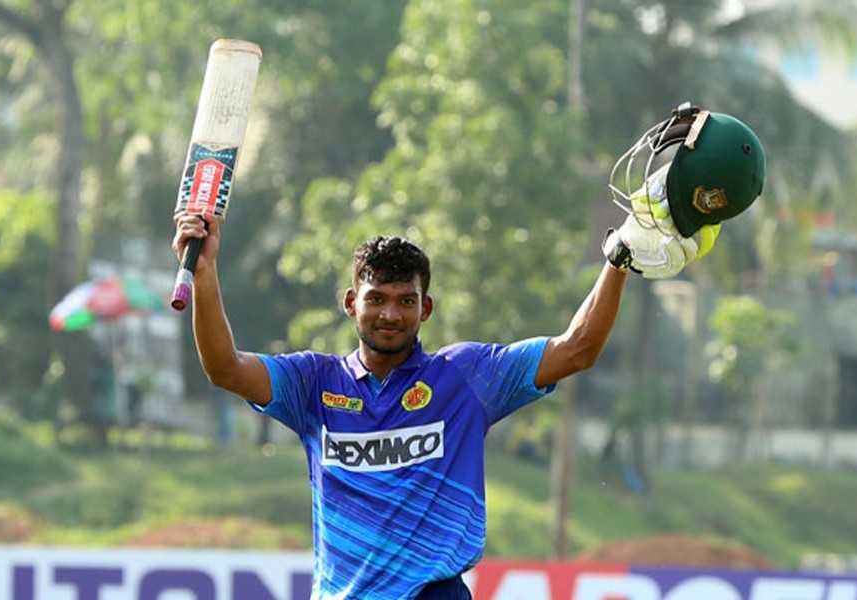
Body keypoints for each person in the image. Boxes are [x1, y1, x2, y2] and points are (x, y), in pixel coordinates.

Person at [172, 103, 765, 599]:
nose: (389, 314)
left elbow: (577, 348)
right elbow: (225, 368)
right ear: (351, 301)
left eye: (406, 301)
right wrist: (207, 273)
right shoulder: (311, 385)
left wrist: (618, 258)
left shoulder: (466, 376)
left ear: (425, 309)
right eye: (377, 299)